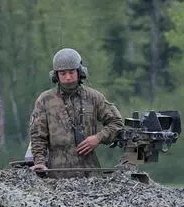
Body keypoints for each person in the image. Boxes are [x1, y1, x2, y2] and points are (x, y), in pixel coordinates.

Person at [28, 48, 124, 177]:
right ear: (56, 75)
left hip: (90, 172)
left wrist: (98, 138)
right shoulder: (45, 100)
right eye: (63, 73)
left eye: (71, 72)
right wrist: (40, 162)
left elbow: (116, 122)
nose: (68, 77)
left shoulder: (93, 97)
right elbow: (38, 136)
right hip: (57, 173)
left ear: (80, 72)